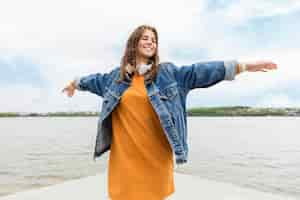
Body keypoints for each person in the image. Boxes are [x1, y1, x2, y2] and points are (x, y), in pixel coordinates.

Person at [62, 24, 277, 200]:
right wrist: (74, 84)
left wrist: (244, 66)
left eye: (154, 40)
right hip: (124, 163)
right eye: (145, 38)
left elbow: (201, 71)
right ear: (134, 43)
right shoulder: (114, 79)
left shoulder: (168, 74)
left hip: (156, 160)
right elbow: (91, 81)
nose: (150, 42)